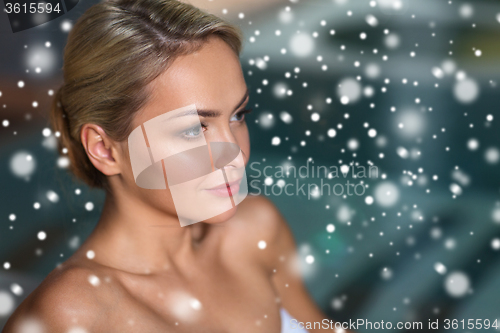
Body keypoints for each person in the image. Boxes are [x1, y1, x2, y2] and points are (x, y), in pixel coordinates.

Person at [3, 1, 354, 332]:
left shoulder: (254, 230)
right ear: (104, 150)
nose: (233, 154)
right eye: (193, 129)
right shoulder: (73, 313)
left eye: (238, 116)